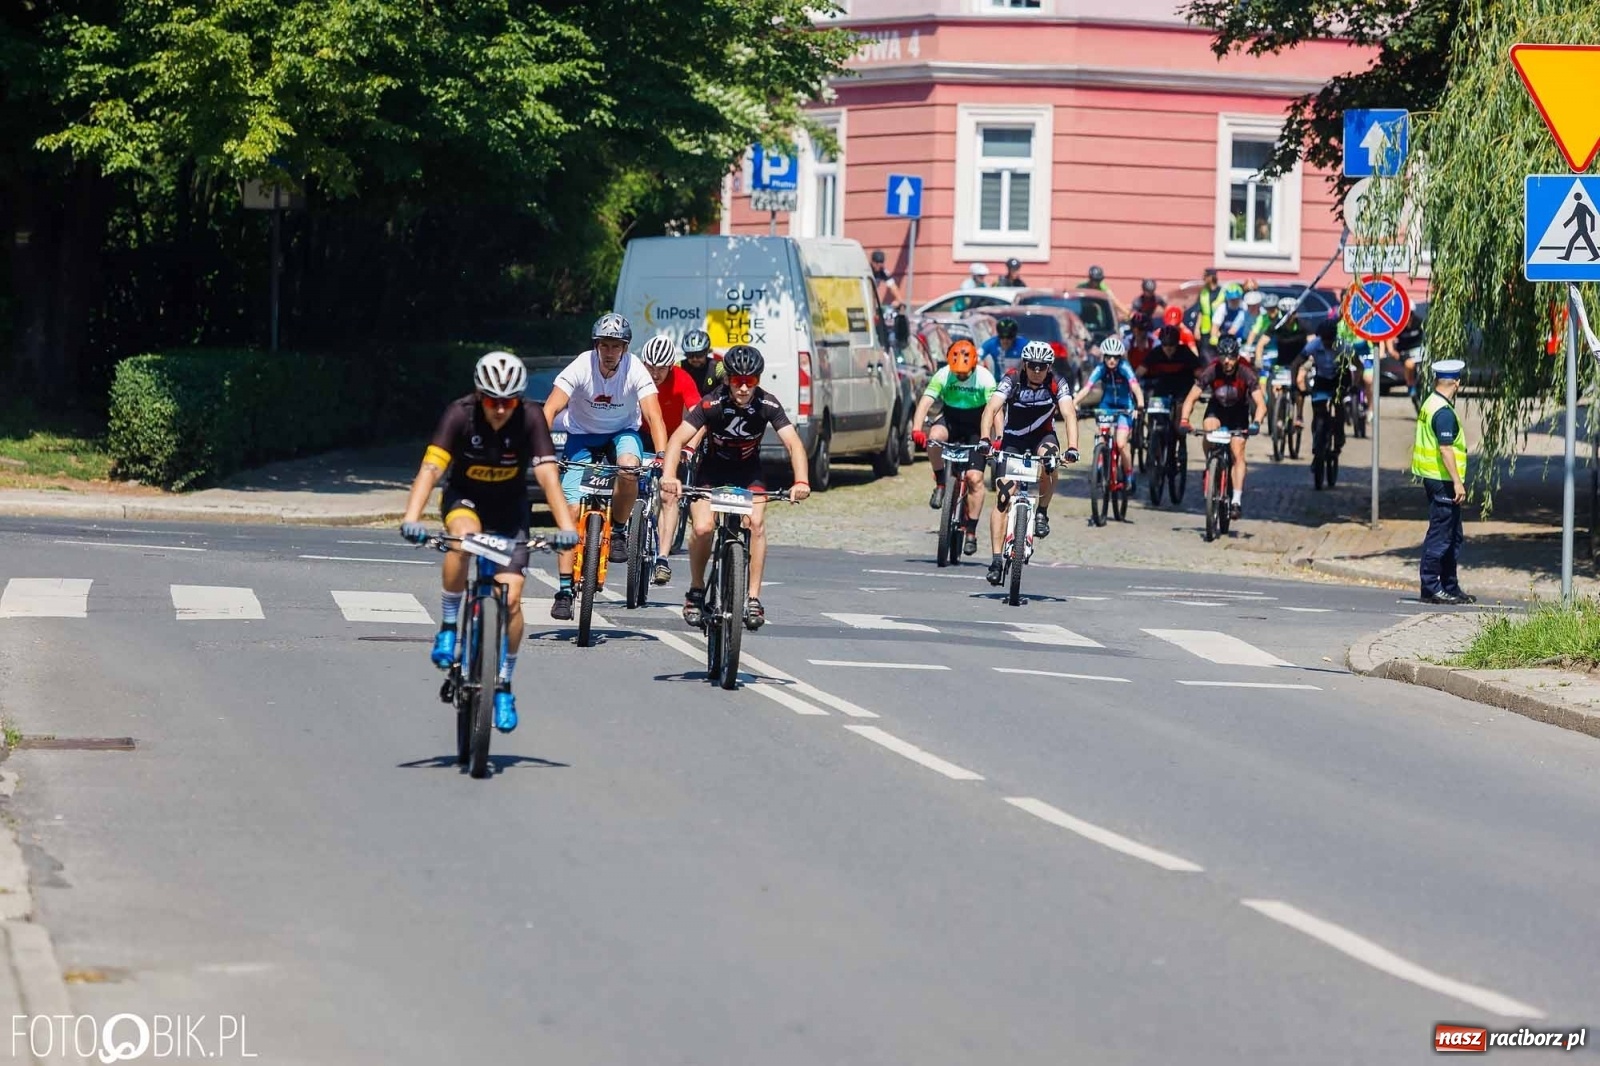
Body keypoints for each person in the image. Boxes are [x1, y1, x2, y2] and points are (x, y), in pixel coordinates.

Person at [399, 352, 579, 733]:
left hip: (510, 510)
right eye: (493, 401)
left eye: (508, 401)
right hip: (465, 500)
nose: (500, 410)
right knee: (461, 542)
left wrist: (567, 529)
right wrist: (411, 517)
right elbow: (432, 468)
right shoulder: (459, 414)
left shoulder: (530, 417)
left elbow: (548, 476)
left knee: (511, 600)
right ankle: (448, 627)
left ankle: (503, 686)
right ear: (479, 396)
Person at [660, 344, 811, 630]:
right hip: (712, 471)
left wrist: (801, 481)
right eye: (737, 381)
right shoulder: (711, 404)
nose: (743, 388)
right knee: (703, 528)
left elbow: (793, 443)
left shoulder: (768, 404)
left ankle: (753, 597)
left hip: (748, 472)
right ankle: (695, 591)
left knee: (756, 524)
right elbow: (677, 439)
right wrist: (670, 476)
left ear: (758, 380)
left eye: (750, 381)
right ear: (727, 379)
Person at [543, 313, 669, 620]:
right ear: (596, 345)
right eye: (604, 345)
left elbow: (653, 416)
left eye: (616, 346)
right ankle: (563, 591)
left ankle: (619, 531)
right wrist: (540, 446)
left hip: (622, 433)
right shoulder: (581, 366)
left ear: (625, 348)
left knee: (629, 468)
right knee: (570, 513)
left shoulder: (635, 369)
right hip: (582, 437)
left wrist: (663, 455)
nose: (610, 352)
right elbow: (551, 408)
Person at [979, 341, 1081, 584]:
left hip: (1042, 437)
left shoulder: (1057, 382)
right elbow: (991, 409)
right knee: (1003, 497)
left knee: (1050, 461)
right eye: (1033, 366)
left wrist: (1073, 447)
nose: (1037, 370)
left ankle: (1042, 512)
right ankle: (995, 560)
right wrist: (985, 439)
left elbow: (1069, 414)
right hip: (1013, 438)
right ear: (1025, 365)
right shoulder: (1012, 379)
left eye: (1042, 366)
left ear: (1049, 367)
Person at [910, 339, 996, 555]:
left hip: (977, 426)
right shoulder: (943, 374)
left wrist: (997, 438)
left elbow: (997, 411)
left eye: (964, 374)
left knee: (975, 479)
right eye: (957, 374)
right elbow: (925, 402)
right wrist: (917, 429)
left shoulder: (985, 378)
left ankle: (971, 532)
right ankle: (941, 481)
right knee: (934, 437)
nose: (960, 377)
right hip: (951, 420)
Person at [636, 335, 702, 585]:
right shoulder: (637, 375)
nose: (654, 374)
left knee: (668, 495)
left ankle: (662, 558)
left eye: (661, 368)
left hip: (674, 439)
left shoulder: (682, 378)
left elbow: (700, 418)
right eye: (650, 367)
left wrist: (690, 448)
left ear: (671, 365)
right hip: (642, 435)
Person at [1179, 335, 1266, 519]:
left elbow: (1261, 404)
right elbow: (1191, 398)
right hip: (1217, 410)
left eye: (1231, 357)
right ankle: (1210, 463)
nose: (1227, 361)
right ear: (1218, 357)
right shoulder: (1211, 370)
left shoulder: (1246, 372)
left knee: (1237, 451)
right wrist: (1185, 419)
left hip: (1238, 414)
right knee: (1209, 429)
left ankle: (1236, 500)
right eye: (1223, 357)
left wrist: (1256, 423)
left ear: (1237, 356)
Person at [1412, 359, 1475, 604]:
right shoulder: (1443, 412)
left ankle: (1450, 585)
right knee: (1441, 535)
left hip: (1436, 478)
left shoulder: (1430, 402)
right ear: (1456, 383)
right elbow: (1445, 449)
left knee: (1453, 535)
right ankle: (1431, 586)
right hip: (1442, 481)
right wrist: (1458, 483)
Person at [1079, 336, 1146, 494]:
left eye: (1115, 357)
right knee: (1101, 436)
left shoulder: (1124, 367)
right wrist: (1073, 403)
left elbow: (1135, 387)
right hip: (1106, 406)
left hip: (1125, 408)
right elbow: (1087, 387)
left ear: (1120, 357)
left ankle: (1129, 476)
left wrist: (1140, 403)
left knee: (1121, 443)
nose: (1111, 360)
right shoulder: (1101, 369)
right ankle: (1100, 464)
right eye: (1108, 357)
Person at [1296, 320, 1350, 480]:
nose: (1327, 344)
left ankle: (1339, 438)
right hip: (1321, 380)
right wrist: (1297, 386)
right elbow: (1297, 362)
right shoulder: (1314, 345)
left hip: (1339, 379)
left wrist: (1351, 387)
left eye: (1330, 341)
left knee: (1339, 411)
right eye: (1324, 341)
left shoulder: (1343, 346)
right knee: (1318, 415)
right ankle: (1317, 444)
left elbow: (1354, 369)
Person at [1139, 324, 1201, 404]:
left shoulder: (1185, 352)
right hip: (1163, 385)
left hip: (1183, 384)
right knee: (1154, 404)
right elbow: (1139, 371)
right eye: (1165, 344)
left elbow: (1199, 372)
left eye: (1171, 344)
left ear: (1177, 343)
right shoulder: (1156, 352)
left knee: (1181, 404)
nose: (1168, 348)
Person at [680, 328, 723, 395]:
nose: (695, 359)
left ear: (706, 352)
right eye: (690, 355)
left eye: (699, 355)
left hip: (712, 404)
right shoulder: (679, 367)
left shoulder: (717, 367)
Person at [1209, 283, 1251, 351]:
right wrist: (1214, 337)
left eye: (1236, 299)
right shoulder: (1222, 308)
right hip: (1227, 340)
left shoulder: (1245, 307)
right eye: (1232, 299)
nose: (1234, 301)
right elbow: (1215, 326)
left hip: (1243, 340)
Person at [1192, 268, 1222, 358]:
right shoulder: (1203, 292)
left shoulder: (1222, 292)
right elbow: (1201, 311)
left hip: (1218, 330)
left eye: (1205, 276)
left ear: (1211, 277)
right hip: (1205, 330)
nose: (1203, 279)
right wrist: (1197, 328)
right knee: (1205, 355)